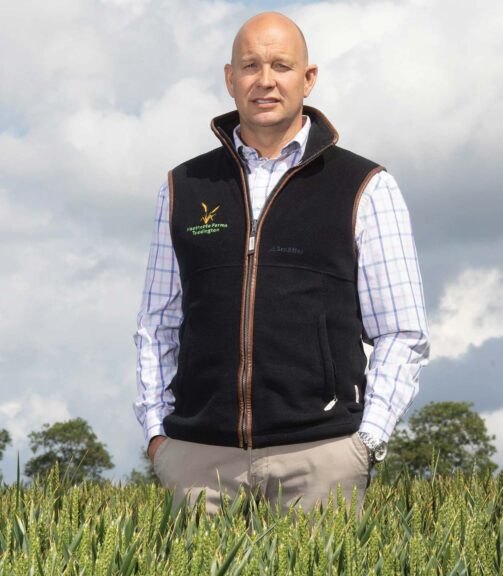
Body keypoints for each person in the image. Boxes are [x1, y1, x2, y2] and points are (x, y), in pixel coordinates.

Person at [132, 11, 430, 518]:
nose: (264, 80)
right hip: (201, 463)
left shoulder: (365, 186)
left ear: (308, 79)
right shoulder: (184, 187)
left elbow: (402, 331)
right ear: (230, 79)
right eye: (250, 66)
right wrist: (159, 436)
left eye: (280, 65)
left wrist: (365, 442)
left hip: (319, 460)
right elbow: (157, 324)